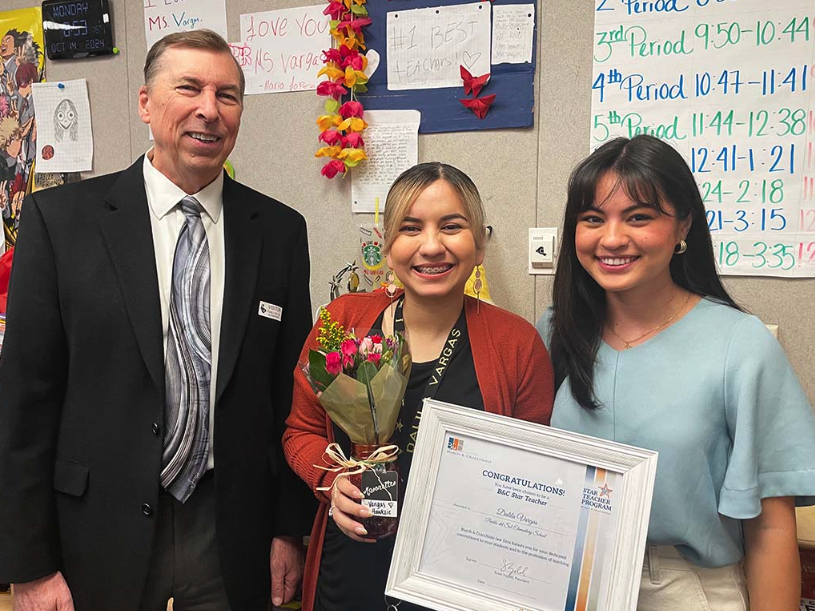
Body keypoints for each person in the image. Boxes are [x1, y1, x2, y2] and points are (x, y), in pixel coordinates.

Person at [0, 30, 316, 611]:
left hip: (232, 529)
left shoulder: (279, 231)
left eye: (228, 95)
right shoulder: (61, 223)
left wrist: (287, 530)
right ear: (146, 102)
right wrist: (28, 562)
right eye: (189, 88)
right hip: (95, 528)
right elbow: (24, 403)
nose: (209, 110)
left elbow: (291, 397)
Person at [537, 135, 815, 611]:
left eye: (638, 217)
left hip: (685, 588)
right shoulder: (555, 332)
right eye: (592, 219)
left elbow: (770, 527)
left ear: (683, 223)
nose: (611, 238)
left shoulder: (741, 345)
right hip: (567, 577)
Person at [283, 162, 555, 611]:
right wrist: (332, 482)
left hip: (462, 580)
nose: (431, 246)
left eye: (451, 226)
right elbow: (300, 431)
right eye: (411, 228)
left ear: (480, 244)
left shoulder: (516, 344)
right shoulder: (342, 322)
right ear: (388, 249)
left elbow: (530, 481)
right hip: (350, 567)